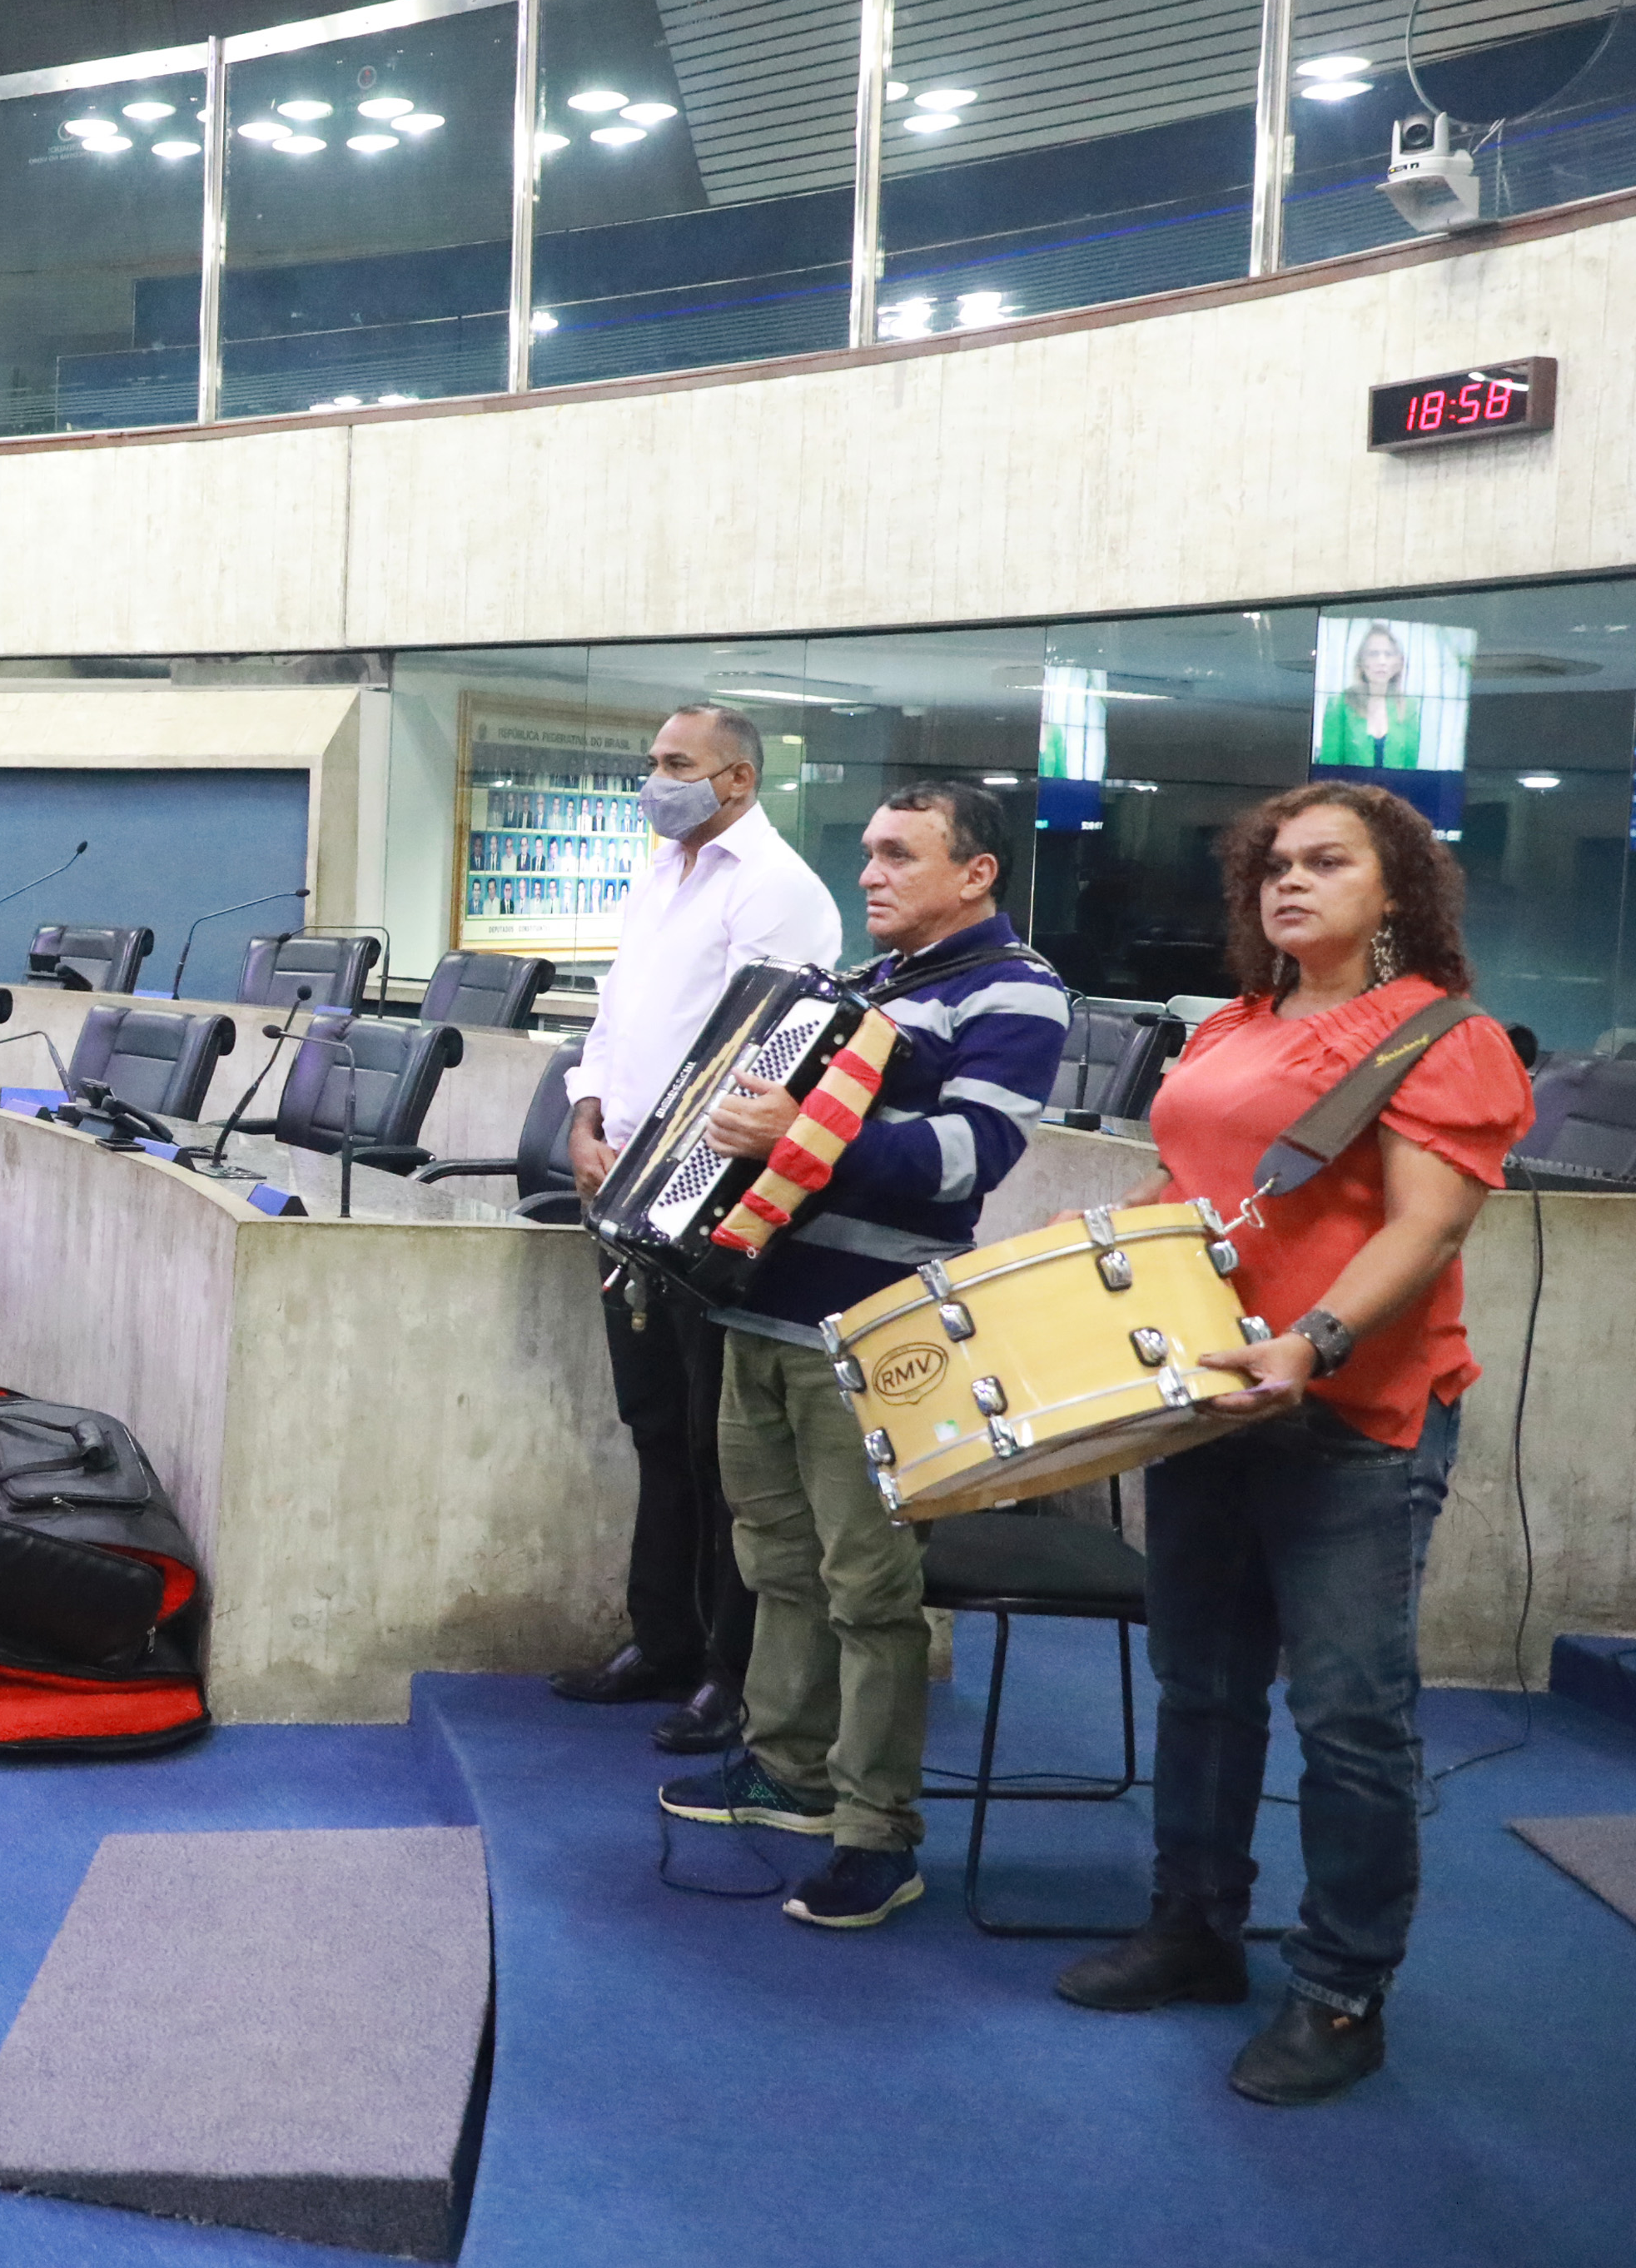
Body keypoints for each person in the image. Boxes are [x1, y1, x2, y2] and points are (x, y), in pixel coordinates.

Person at [1047, 783, 1531, 2106]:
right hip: (1208, 1397)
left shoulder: (1445, 1037)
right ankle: (1195, 1928)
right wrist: (1106, 1242)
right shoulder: (1237, 1026)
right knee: (1201, 1686)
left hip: (1351, 1417)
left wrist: (1311, 1343)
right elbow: (1201, 1191)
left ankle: (1341, 1990)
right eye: (1273, 864)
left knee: (1349, 1718)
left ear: (1398, 891)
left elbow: (1427, 1225)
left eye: (1327, 863)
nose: (1291, 883)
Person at [659, 781, 1068, 1932]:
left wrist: (798, 1138)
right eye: (872, 852)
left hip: (876, 1329)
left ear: (975, 873)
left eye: (899, 855)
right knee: (776, 1559)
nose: (871, 873)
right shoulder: (866, 986)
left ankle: (877, 1833)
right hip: (762, 1305)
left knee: (871, 1590)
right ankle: (789, 1770)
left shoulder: (1016, 990)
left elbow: (969, 1156)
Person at [550, 703, 845, 1754]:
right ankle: (662, 1639)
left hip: (706, 1200)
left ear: (737, 780)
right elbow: (613, 1017)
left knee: (727, 1453)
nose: (654, 780)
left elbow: (763, 1053)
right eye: (652, 761)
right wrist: (586, 1117)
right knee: (656, 1430)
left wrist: (661, 1166)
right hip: (622, 1190)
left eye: (676, 763)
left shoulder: (774, 889)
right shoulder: (659, 874)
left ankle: (733, 1671)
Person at [1315, 624, 1425, 769]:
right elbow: (1329, 769)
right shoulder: (1339, 704)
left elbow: (1411, 770)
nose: (1381, 662)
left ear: (1398, 663)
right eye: (1373, 654)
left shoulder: (1409, 707)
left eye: (1388, 654)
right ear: (1361, 662)